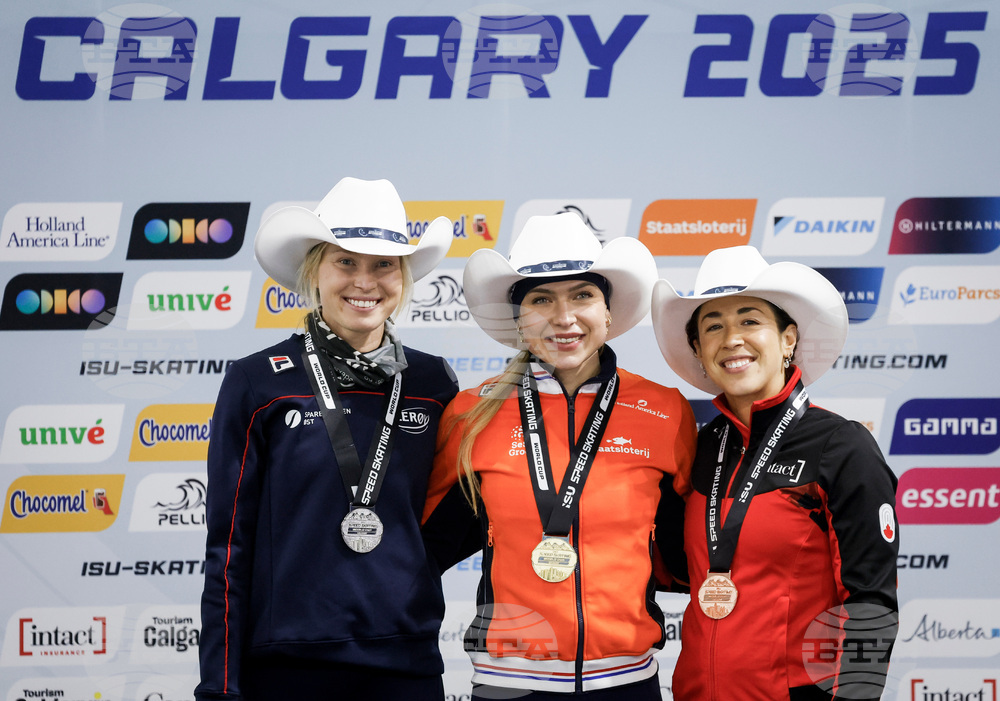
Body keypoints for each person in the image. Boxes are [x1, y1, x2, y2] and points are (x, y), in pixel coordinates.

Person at [196, 177, 458, 701]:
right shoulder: (260, 381)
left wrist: (410, 568)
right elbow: (230, 545)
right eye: (346, 262)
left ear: (402, 277)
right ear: (314, 272)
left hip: (406, 666)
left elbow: (456, 512)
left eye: (383, 264)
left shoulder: (433, 383)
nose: (365, 281)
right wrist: (220, 686)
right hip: (289, 667)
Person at [422, 212, 697, 700]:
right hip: (508, 684)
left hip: (627, 680)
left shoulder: (663, 408)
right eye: (541, 299)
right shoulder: (472, 412)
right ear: (519, 318)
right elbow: (423, 549)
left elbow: (689, 548)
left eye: (582, 295)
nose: (564, 317)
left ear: (608, 312)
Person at [650, 245, 899, 701]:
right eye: (713, 326)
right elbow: (672, 570)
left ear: (788, 339)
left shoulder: (842, 447)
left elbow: (870, 605)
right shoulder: (698, 449)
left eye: (750, 321)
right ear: (700, 351)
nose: (732, 339)